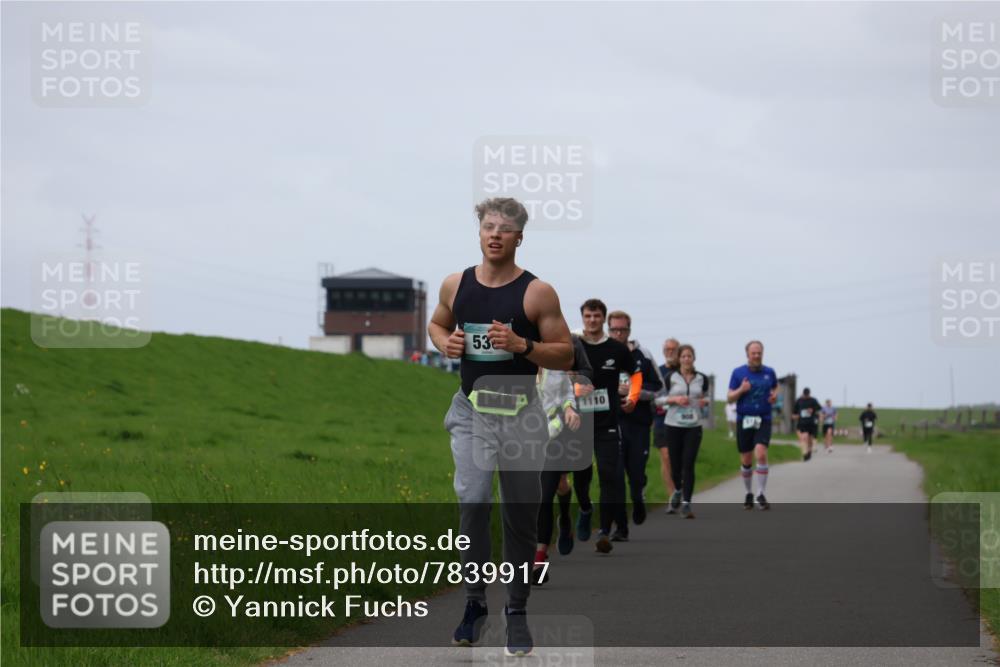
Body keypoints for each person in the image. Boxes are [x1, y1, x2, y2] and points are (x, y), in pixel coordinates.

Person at [428, 197, 573, 656]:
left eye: (505, 229)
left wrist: (522, 345)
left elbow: (565, 354)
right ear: (479, 232)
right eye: (488, 226)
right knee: (472, 500)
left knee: (519, 517)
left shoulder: (537, 293)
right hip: (471, 412)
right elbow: (436, 324)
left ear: (519, 237)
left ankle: (516, 609)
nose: (495, 234)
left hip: (522, 417)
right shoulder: (456, 284)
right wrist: (445, 344)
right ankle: (474, 603)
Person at [576, 299, 641, 552]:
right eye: (588, 316)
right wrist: (573, 387)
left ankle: (603, 531)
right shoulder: (574, 345)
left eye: (596, 316)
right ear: (583, 318)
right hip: (578, 422)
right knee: (581, 477)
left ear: (604, 319)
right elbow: (555, 374)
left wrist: (633, 398)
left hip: (607, 423)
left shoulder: (616, 348)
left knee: (608, 474)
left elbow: (636, 374)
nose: (592, 320)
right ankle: (585, 508)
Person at [532, 334, 592, 584]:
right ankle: (563, 519)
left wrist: (569, 409)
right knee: (552, 488)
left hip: (556, 434)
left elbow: (567, 391)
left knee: (545, 495)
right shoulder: (518, 363)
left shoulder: (554, 363)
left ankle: (539, 559)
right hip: (527, 437)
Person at [607, 310, 663, 527]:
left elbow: (659, 388)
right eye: (614, 330)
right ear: (608, 330)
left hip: (638, 423)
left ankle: (638, 496)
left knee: (636, 474)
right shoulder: (601, 353)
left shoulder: (643, 355)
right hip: (611, 423)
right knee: (616, 476)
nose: (618, 333)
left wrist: (633, 390)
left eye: (622, 330)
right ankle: (620, 527)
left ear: (629, 330)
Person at [657, 344, 710, 518]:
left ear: (694, 358)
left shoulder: (702, 378)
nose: (687, 359)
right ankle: (678, 491)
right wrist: (674, 399)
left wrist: (705, 402)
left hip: (693, 426)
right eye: (683, 356)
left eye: (689, 356)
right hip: (673, 425)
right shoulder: (670, 377)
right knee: (675, 465)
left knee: (688, 464)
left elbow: (707, 397)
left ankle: (686, 503)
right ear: (679, 359)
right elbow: (658, 400)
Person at [727, 340, 778, 510]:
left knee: (761, 453)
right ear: (747, 355)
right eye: (753, 353)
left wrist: (774, 396)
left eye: (759, 353)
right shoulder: (738, 373)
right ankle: (748, 492)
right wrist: (741, 389)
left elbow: (775, 387)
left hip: (764, 418)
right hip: (744, 419)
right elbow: (729, 397)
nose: (756, 356)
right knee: (746, 459)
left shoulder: (769, 372)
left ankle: (760, 493)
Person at [653, 338, 681, 512]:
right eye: (667, 349)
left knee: (680, 458)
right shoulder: (658, 371)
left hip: (682, 421)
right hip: (661, 419)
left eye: (673, 349)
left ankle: (680, 489)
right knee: (666, 456)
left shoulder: (685, 371)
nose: (670, 352)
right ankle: (672, 497)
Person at [792, 387, 822, 461]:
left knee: (810, 439)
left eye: (807, 395)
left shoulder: (813, 400)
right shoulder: (799, 401)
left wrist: (813, 410)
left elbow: (819, 409)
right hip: (802, 423)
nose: (806, 396)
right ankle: (805, 453)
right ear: (803, 394)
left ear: (809, 394)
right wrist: (796, 416)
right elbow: (794, 413)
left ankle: (809, 451)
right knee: (803, 438)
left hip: (811, 423)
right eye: (805, 395)